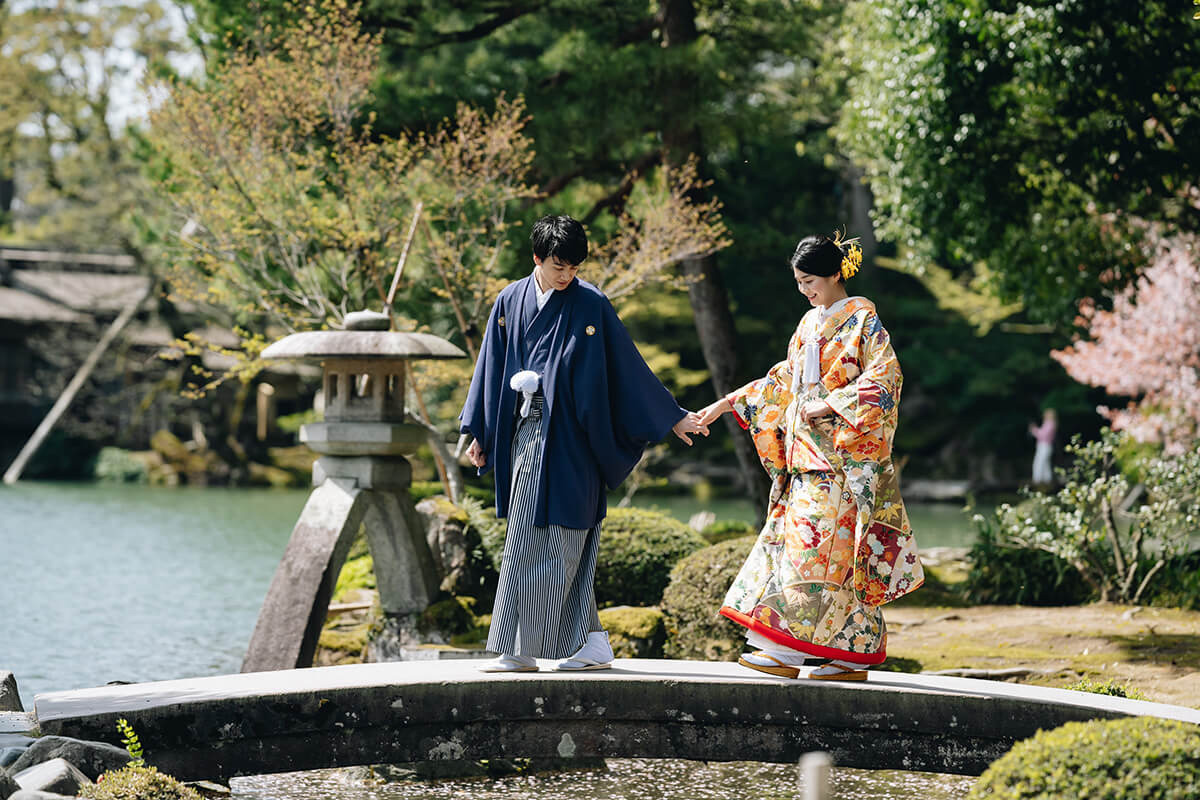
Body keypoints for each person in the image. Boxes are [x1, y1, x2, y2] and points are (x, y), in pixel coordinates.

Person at [460, 214, 708, 673]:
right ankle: (588, 643)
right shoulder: (509, 301)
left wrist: (670, 417)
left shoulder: (590, 302)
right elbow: (490, 368)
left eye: (573, 267)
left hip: (576, 436)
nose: (566, 276)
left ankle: (521, 648)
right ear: (536, 258)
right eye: (558, 266)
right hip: (525, 431)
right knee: (532, 535)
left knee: (561, 538)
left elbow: (625, 366)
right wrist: (480, 431)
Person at [697, 232, 922, 681]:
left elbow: (887, 380)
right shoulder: (807, 325)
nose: (805, 290)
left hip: (839, 461)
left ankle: (784, 650)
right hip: (805, 460)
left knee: (807, 556)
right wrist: (726, 403)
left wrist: (833, 404)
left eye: (811, 280)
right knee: (831, 563)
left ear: (837, 273)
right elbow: (783, 381)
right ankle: (853, 653)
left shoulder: (863, 323)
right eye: (799, 282)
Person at [1029, 408, 1057, 485]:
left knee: (1039, 463)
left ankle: (1037, 480)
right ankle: (1047, 480)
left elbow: (1042, 435)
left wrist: (1034, 429)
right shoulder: (1049, 423)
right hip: (1045, 446)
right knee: (1045, 464)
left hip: (1044, 446)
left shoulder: (1050, 423)